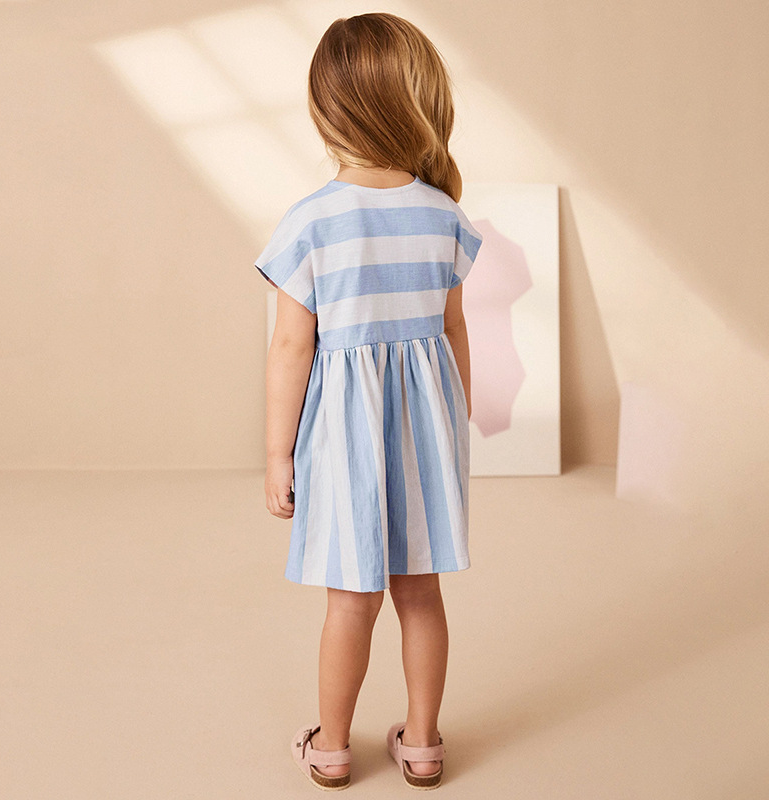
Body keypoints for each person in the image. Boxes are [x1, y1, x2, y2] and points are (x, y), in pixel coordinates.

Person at [255, 12, 483, 791]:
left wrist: (279, 454)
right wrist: (454, 426)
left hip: (343, 438)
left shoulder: (312, 221)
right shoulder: (442, 214)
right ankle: (422, 744)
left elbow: (292, 349)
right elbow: (454, 332)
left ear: (328, 111)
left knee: (351, 600)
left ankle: (331, 748)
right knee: (421, 593)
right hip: (426, 434)